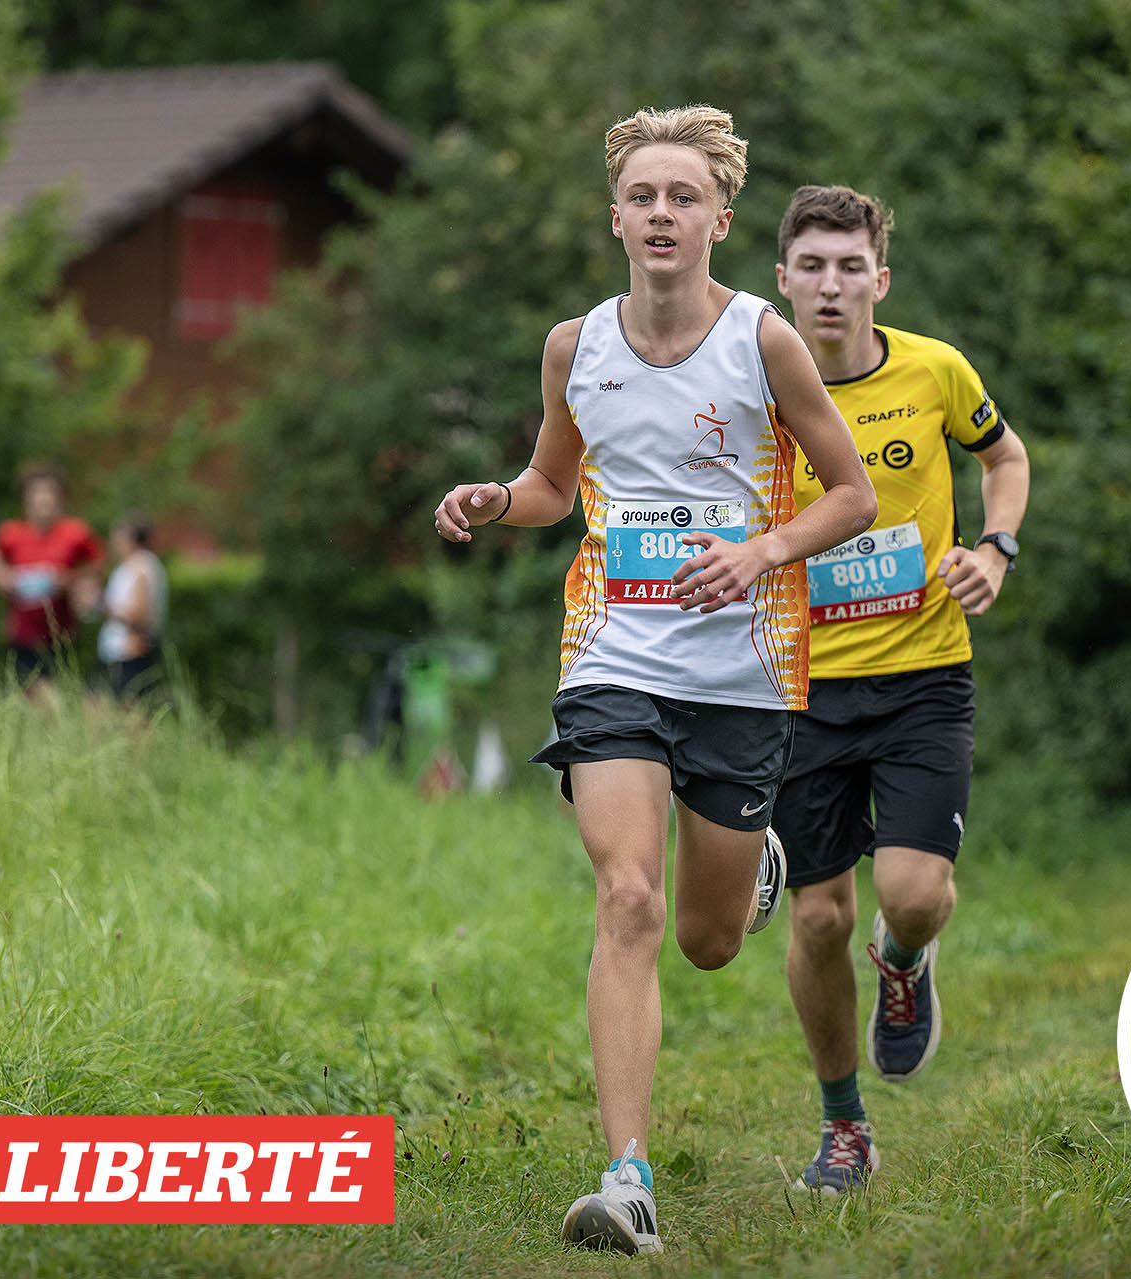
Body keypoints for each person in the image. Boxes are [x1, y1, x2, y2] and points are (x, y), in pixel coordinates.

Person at [433, 106, 876, 1256]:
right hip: (612, 656)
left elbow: (852, 496)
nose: (662, 213)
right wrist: (500, 499)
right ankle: (626, 1180)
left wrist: (762, 551)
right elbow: (552, 483)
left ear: (720, 219)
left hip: (741, 672)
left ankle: (753, 860)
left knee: (708, 940)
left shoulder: (763, 341)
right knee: (627, 896)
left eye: (685, 197)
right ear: (616, 218)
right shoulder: (574, 347)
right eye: (643, 197)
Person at [769, 185, 1030, 1193]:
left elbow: (1005, 457)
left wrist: (995, 548)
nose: (831, 286)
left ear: (880, 279)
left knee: (912, 897)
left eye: (850, 267)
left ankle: (907, 960)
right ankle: (845, 1127)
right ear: (783, 280)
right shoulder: (751, 393)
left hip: (924, 675)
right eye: (812, 267)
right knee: (818, 920)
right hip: (798, 689)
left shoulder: (934, 369)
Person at [0, 462, 104, 689]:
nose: (43, 499)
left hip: (63, 632)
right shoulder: (11, 532)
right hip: (22, 631)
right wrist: (4, 580)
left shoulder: (76, 532)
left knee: (57, 691)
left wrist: (69, 579)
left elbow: (98, 566)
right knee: (29, 692)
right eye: (37, 493)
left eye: (50, 493)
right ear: (25, 499)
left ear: (60, 498)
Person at [96, 514, 167, 701]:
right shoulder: (131, 565)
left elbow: (140, 616)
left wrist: (102, 606)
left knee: (127, 711)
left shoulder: (142, 566)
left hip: (130, 654)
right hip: (119, 654)